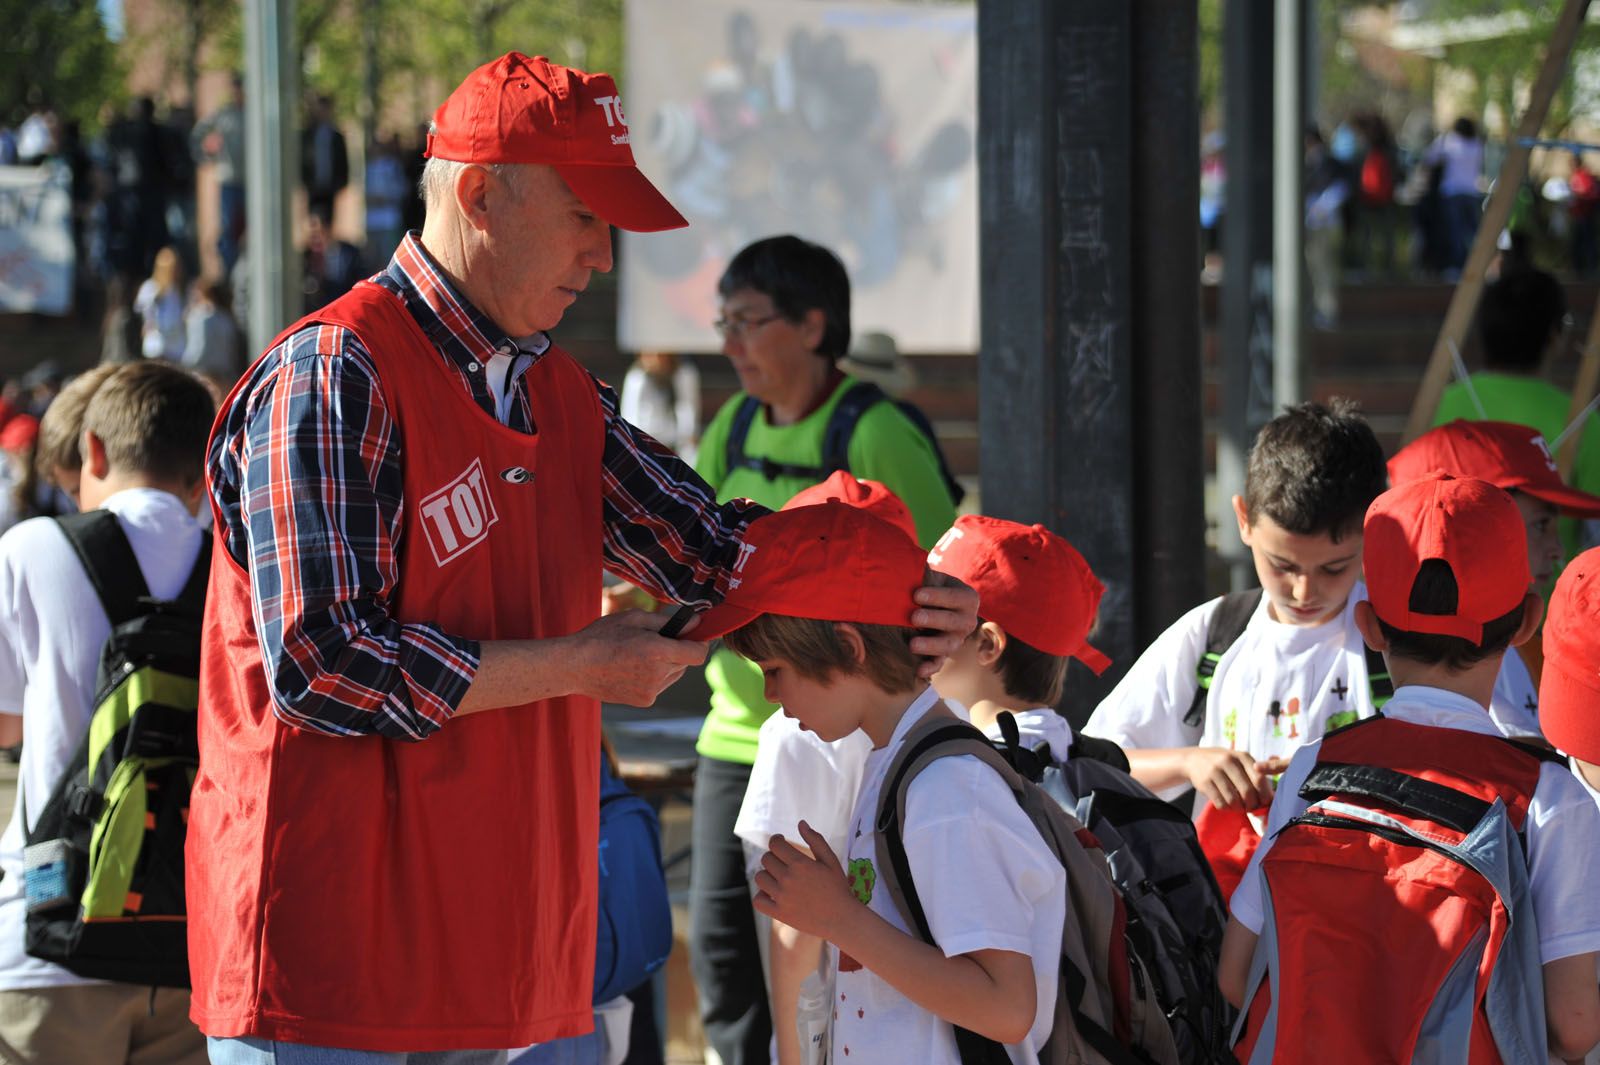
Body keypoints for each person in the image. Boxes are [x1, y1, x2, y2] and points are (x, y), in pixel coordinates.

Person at [191, 51, 977, 1063]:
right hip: (333, 973)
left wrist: (909, 599)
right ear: (479, 194)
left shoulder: (554, 390)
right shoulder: (334, 372)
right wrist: (582, 663)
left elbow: (713, 551)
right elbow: (322, 666)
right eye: (584, 217)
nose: (604, 256)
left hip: (503, 953)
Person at [685, 233, 957, 1065]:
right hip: (735, 739)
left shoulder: (877, 432)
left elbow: (941, 576)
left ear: (812, 326)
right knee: (727, 960)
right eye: (722, 320)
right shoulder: (731, 425)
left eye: (748, 321)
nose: (729, 342)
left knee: (830, 950)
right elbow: (697, 560)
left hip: (847, 744)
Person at [1217, 473, 1600, 1062]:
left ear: (1368, 626)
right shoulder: (1547, 796)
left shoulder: (1315, 767)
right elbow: (1572, 1027)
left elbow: (1238, 975)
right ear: (1526, 622)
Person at [695, 502, 1065, 1065]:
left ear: (848, 648)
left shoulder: (948, 791)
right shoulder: (891, 764)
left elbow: (1008, 1007)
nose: (771, 696)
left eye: (775, 672)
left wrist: (839, 919)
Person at [0, 361, 214, 1064]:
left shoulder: (31, 549)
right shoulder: (239, 571)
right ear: (204, 465)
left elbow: (4, 724)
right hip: (191, 946)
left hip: (48, 943)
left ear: (92, 449)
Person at [1084, 400, 1385, 810]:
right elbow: (1092, 763)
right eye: (1282, 565)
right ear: (1243, 519)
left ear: (1375, 530)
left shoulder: (1402, 641)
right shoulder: (1215, 632)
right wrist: (1189, 763)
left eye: (1334, 568)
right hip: (1227, 874)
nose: (1303, 592)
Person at [731, 471, 920, 1065]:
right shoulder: (943, 711)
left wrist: (792, 1054)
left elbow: (793, 932)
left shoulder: (799, 733)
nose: (771, 693)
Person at [1388, 419, 1600, 737]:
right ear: (1468, 527)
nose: (1557, 549)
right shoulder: (1383, 651)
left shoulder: (1536, 650)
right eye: (1542, 525)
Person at [1434, 266, 1600, 561]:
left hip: (1457, 597)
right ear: (1554, 335)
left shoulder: (1442, 404)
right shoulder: (1582, 419)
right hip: (1554, 601)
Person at [191, 75, 246, 276]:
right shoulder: (224, 115)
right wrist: (206, 155)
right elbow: (198, 134)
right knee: (228, 232)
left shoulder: (254, 113)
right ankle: (228, 273)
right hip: (229, 181)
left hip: (253, 183)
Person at [619, 349, 700, 462]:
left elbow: (686, 408)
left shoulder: (683, 374)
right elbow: (630, 412)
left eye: (661, 354)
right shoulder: (637, 378)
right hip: (646, 441)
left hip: (673, 442)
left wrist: (688, 435)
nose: (656, 359)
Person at [182, 276, 243, 383]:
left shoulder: (201, 317)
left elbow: (198, 348)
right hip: (225, 371)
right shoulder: (226, 317)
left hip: (207, 372)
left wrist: (185, 365)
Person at [300, 94, 348, 225]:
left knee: (328, 222)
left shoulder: (336, 136)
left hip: (330, 188)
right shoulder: (307, 135)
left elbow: (343, 162)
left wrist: (341, 183)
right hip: (313, 187)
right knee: (313, 223)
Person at [135, 246, 187, 360]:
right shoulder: (150, 287)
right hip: (157, 346)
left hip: (177, 349)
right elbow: (144, 313)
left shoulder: (178, 290)